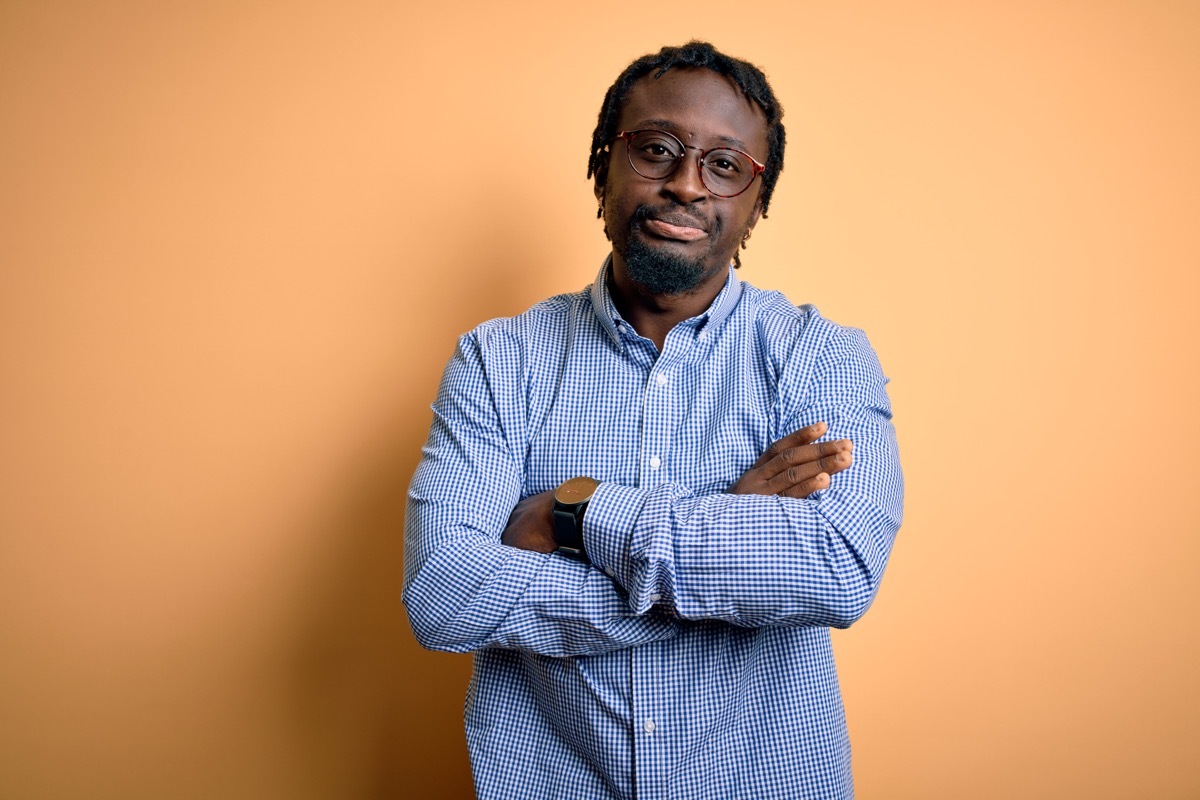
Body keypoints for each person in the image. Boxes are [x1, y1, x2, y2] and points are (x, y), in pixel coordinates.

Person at [404, 41, 903, 800]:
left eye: (725, 165)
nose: (685, 185)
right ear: (602, 166)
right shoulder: (498, 361)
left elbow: (838, 568)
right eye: (656, 150)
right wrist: (730, 530)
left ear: (758, 204)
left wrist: (579, 514)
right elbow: (444, 593)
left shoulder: (819, 357)